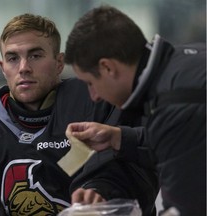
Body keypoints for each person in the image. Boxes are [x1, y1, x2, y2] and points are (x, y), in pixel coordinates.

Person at [0, 13, 158, 216]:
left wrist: (101, 192)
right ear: (2, 67)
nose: (23, 67)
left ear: (59, 63)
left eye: (35, 55)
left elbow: (138, 166)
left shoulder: (101, 101)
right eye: (13, 58)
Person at [64, 5, 206, 216]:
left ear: (108, 68)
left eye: (90, 83)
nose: (93, 95)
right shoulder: (184, 62)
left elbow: (186, 209)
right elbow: (188, 141)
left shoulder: (173, 104)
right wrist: (118, 137)